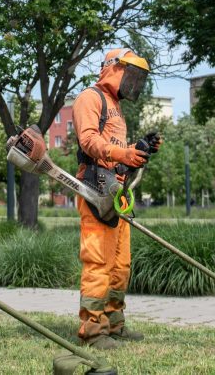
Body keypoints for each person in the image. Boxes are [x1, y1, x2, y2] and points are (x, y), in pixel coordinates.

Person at [71, 48, 159, 350]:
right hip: (95, 188)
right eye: (131, 74)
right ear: (113, 68)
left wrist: (139, 148)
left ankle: (114, 324)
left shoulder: (116, 107)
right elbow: (89, 141)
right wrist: (123, 152)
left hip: (119, 192)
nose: (134, 82)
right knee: (99, 262)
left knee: (121, 265)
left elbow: (118, 151)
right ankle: (93, 331)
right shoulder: (90, 98)